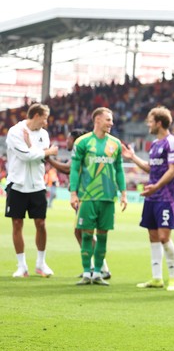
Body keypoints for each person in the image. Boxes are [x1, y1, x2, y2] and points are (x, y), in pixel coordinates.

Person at [121, 107, 174, 291]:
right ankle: (157, 278)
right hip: (152, 196)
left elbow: (173, 170)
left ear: (159, 122)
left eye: (150, 121)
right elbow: (151, 168)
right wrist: (132, 157)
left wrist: (156, 186)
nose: (148, 124)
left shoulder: (172, 143)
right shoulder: (155, 144)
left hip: (165, 197)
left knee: (164, 237)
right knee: (153, 236)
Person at [70, 107, 127, 286]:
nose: (111, 123)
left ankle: (97, 274)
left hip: (108, 197)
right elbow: (74, 169)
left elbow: (119, 170)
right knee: (86, 235)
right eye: (108, 120)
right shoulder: (82, 142)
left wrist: (123, 193)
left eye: (111, 120)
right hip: (88, 196)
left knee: (103, 236)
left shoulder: (116, 144)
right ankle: (86, 272)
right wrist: (73, 193)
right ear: (97, 120)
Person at [47, 128, 113, 279]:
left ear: (76, 139)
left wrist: (49, 159)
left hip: (87, 197)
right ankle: (92, 267)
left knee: (85, 231)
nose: (67, 141)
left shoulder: (83, 151)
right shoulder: (83, 150)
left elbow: (67, 168)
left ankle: (102, 268)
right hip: (84, 196)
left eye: (69, 138)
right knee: (80, 232)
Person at [5, 103, 59, 278]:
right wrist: (44, 152)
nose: (46, 122)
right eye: (44, 118)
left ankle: (40, 263)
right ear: (36, 115)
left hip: (37, 184)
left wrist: (35, 150)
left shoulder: (43, 134)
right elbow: (26, 156)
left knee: (41, 224)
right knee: (17, 224)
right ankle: (21, 266)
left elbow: (40, 158)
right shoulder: (15, 132)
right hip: (17, 184)